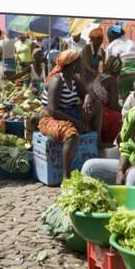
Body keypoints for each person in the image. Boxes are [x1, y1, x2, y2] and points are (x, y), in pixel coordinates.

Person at [35, 49, 103, 180]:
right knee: (72, 135)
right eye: (79, 62)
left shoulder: (73, 79)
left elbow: (89, 93)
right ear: (72, 64)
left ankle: (98, 142)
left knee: (97, 106)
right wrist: (76, 122)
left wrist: (88, 97)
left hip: (69, 113)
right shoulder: (57, 81)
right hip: (50, 118)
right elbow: (53, 111)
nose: (82, 64)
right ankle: (65, 175)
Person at [84, 55, 123, 146]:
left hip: (92, 105)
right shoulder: (112, 80)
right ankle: (108, 143)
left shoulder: (99, 76)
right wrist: (123, 110)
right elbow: (113, 105)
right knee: (118, 118)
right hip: (100, 109)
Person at [105, 25, 135, 100]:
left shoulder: (110, 46)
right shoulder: (132, 42)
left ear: (110, 37)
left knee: (123, 100)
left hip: (123, 74)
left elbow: (108, 65)